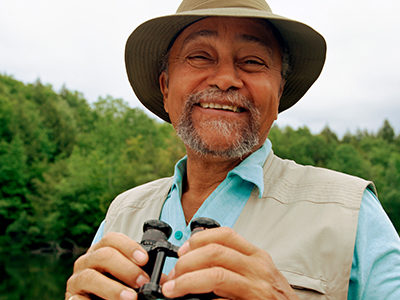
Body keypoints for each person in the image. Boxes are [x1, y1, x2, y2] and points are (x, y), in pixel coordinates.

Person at [65, 0, 400, 299]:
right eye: (200, 57)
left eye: (253, 61)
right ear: (166, 88)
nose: (225, 78)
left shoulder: (351, 213)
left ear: (279, 93)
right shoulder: (122, 212)